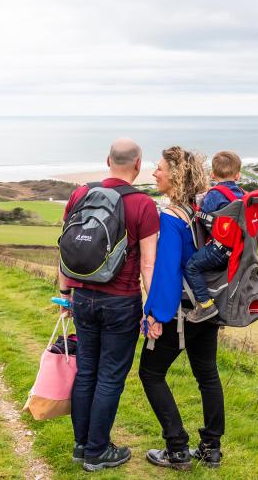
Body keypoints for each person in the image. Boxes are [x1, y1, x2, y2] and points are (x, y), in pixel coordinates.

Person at [58, 138, 159, 472]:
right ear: (138, 164)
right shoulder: (143, 204)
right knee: (111, 377)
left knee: (87, 369)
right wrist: (152, 308)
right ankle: (98, 452)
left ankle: (81, 445)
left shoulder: (80, 194)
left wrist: (66, 293)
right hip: (121, 300)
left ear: (107, 160)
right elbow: (148, 264)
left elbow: (66, 246)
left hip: (83, 297)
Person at [139, 146, 225, 470]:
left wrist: (153, 315)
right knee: (208, 375)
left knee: (150, 372)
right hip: (207, 308)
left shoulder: (173, 217)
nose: (154, 173)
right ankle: (211, 449)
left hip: (182, 314)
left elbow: (167, 272)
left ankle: (177, 449)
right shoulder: (200, 213)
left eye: (159, 168)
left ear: (174, 175)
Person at [183, 150, 245, 323]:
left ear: (212, 174)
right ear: (238, 175)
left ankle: (205, 304)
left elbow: (203, 216)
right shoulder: (242, 195)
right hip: (239, 249)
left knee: (192, 266)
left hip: (220, 250)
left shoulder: (214, 195)